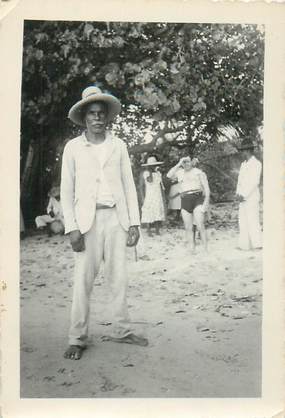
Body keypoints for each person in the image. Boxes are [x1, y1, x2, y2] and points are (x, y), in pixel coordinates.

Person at [61, 86, 148, 360]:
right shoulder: (73, 148)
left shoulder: (118, 145)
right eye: (92, 114)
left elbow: (129, 185)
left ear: (107, 117)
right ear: (84, 117)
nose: (97, 118)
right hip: (87, 222)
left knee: (118, 278)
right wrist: (72, 227)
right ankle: (77, 337)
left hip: (116, 218)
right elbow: (66, 191)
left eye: (101, 114)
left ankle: (122, 330)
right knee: (83, 281)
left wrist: (134, 222)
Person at [167, 156, 210, 253]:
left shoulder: (198, 172)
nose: (186, 164)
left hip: (197, 198)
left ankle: (205, 249)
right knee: (188, 227)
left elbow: (207, 189)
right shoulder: (180, 172)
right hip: (185, 200)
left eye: (188, 162)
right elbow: (169, 175)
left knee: (200, 225)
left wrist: (206, 203)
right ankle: (192, 248)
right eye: (184, 162)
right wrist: (179, 163)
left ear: (192, 162)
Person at [236, 138, 262, 250]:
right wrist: (238, 194)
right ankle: (244, 245)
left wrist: (244, 194)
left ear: (248, 151)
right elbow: (240, 181)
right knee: (242, 220)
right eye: (242, 150)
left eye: (243, 150)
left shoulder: (256, 163)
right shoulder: (243, 164)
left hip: (251, 196)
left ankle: (257, 244)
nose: (242, 152)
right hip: (241, 197)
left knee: (253, 219)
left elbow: (254, 181)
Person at [140, 156, 166, 236]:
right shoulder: (146, 173)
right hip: (150, 195)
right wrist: (142, 197)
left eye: (154, 165)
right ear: (148, 166)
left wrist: (163, 197)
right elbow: (149, 181)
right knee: (149, 211)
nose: (154, 166)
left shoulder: (158, 173)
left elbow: (161, 186)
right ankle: (149, 230)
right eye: (152, 165)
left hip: (157, 195)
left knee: (157, 210)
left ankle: (157, 230)